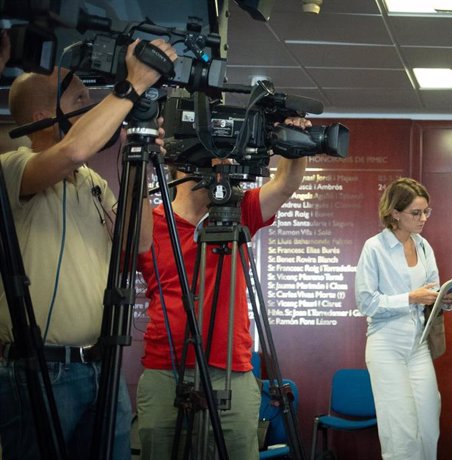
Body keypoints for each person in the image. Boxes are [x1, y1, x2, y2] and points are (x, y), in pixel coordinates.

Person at [0, 37, 177, 460]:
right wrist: (132, 85)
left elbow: (140, 242)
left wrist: (144, 160)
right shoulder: (12, 167)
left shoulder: (92, 184)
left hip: (102, 367)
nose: (97, 106)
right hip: (41, 371)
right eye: (82, 99)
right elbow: (74, 148)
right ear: (46, 115)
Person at [135, 133, 309, 458]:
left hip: (231, 370)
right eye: (214, 161)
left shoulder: (238, 212)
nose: (224, 167)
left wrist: (294, 140)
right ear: (183, 168)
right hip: (165, 369)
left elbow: (286, 184)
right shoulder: (150, 226)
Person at [355, 177, 452, 460]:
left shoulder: (424, 246)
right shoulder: (374, 247)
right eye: (416, 212)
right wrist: (410, 297)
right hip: (386, 344)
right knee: (401, 432)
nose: (423, 218)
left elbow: (432, 292)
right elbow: (366, 302)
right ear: (395, 213)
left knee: (428, 425)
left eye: (426, 211)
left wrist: (443, 300)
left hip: (418, 344)